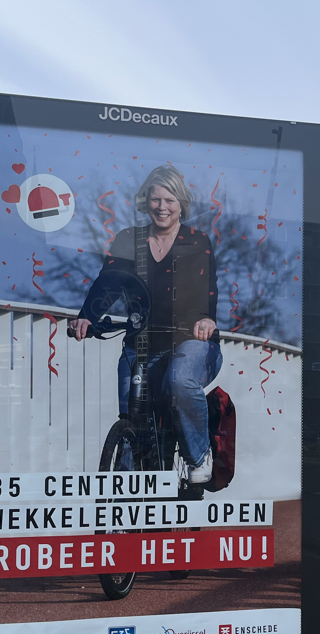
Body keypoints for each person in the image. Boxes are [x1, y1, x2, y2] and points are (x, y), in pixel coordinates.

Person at [69, 165, 221, 483]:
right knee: (131, 414)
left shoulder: (197, 242)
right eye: (155, 199)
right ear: (145, 202)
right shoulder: (129, 240)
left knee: (179, 382)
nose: (162, 207)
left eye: (169, 199)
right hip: (141, 343)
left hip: (190, 342)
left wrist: (206, 319)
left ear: (181, 204)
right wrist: (87, 317)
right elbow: (108, 282)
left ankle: (197, 456)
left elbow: (204, 289)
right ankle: (126, 488)